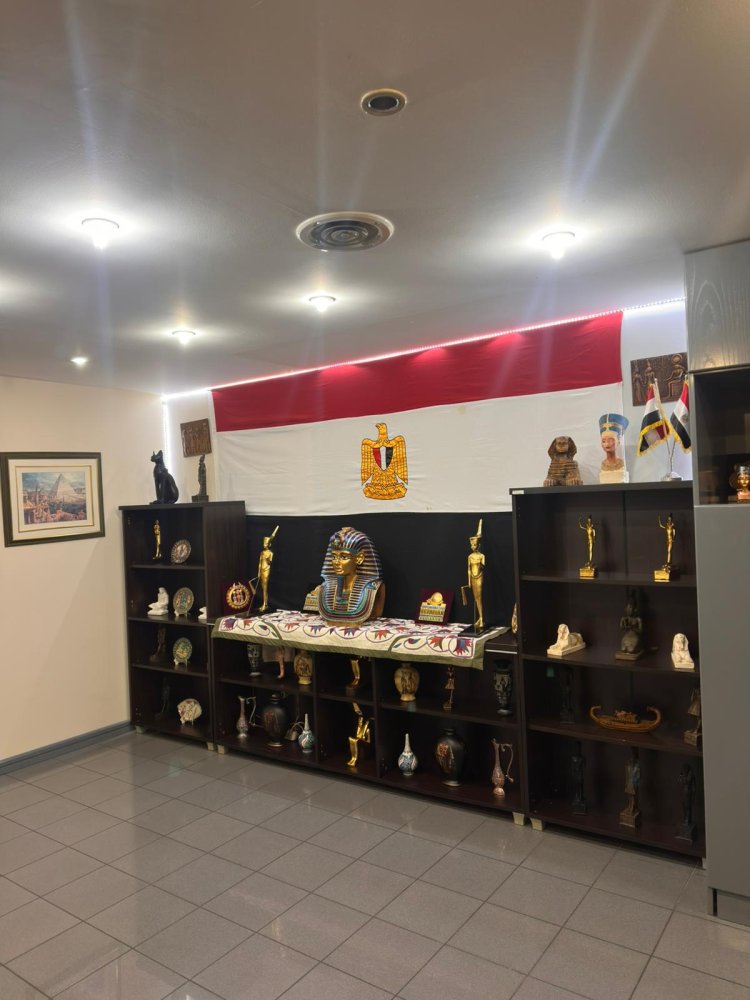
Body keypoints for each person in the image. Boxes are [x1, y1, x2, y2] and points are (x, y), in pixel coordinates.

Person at [316, 526, 385, 625]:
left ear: (359, 558)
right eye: (334, 557)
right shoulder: (324, 587)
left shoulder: (372, 589)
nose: (337, 562)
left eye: (344, 557)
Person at [466, 521, 485, 629]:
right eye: (472, 545)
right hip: (473, 578)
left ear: (478, 545)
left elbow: (483, 566)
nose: (473, 546)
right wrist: (469, 581)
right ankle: (480, 618)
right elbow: (468, 569)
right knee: (476, 598)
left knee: (479, 598)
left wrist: (480, 563)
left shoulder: (482, 556)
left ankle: (482, 618)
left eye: (474, 545)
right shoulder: (470, 557)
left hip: (479, 577)